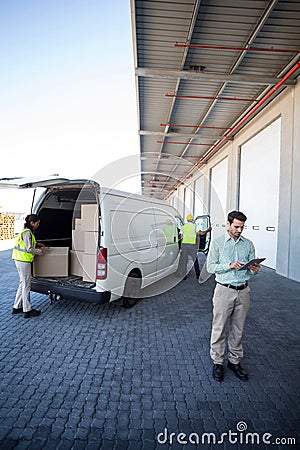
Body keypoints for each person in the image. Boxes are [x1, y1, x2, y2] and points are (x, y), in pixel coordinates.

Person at [206, 210, 260, 382]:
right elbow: (210, 267)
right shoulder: (218, 243)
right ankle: (218, 362)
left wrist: (255, 269)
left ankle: (234, 361)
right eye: (236, 226)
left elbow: (253, 269)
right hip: (224, 290)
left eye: (242, 227)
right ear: (228, 224)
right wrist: (229, 265)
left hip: (243, 291)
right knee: (219, 327)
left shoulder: (248, 244)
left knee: (238, 328)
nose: (239, 230)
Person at [12, 214, 49, 318]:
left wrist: (37, 244)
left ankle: (17, 306)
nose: (38, 225)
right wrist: (41, 251)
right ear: (32, 223)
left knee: (22, 283)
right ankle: (27, 310)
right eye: (37, 223)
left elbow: (29, 243)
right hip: (23, 260)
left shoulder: (26, 232)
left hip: (19, 259)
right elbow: (29, 249)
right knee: (26, 285)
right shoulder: (27, 232)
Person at [180, 214, 212, 279]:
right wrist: (208, 230)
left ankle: (184, 275)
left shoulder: (183, 226)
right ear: (192, 219)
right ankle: (198, 275)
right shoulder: (195, 226)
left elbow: (180, 236)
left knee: (184, 260)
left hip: (184, 245)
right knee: (195, 260)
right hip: (192, 246)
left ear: (187, 219)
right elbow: (201, 233)